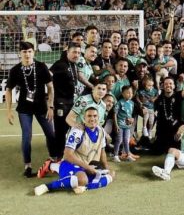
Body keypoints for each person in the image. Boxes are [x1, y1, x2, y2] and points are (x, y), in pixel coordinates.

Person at [34, 107, 114, 196]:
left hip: (87, 165)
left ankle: (85, 187)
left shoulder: (101, 131)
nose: (92, 118)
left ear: (98, 117)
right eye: (89, 116)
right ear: (84, 118)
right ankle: (47, 186)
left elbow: (102, 152)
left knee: (112, 173)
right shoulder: (77, 132)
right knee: (82, 179)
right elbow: (67, 155)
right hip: (71, 163)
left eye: (95, 116)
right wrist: (87, 167)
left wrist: (106, 167)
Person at [6, 41, 56, 177]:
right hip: (24, 108)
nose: (27, 54)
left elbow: (51, 87)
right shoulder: (15, 70)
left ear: (34, 52)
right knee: (26, 137)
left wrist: (50, 106)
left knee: (51, 134)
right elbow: (8, 90)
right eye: (24, 52)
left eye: (29, 51)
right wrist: (9, 111)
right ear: (19, 54)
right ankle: (27, 165)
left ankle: (53, 160)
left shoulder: (41, 67)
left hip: (42, 107)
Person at [50, 42, 82, 158]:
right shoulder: (60, 64)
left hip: (71, 102)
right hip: (60, 103)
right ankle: (58, 156)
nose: (76, 55)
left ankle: (67, 153)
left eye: (78, 53)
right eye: (74, 52)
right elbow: (48, 76)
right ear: (67, 52)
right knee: (60, 130)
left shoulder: (73, 64)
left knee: (70, 128)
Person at [113, 85, 136, 162]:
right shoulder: (119, 102)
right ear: (123, 94)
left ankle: (128, 155)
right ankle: (115, 155)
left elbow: (130, 115)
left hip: (127, 126)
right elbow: (115, 114)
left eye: (131, 93)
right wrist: (116, 125)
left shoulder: (132, 103)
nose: (130, 94)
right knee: (119, 140)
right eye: (128, 93)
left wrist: (132, 120)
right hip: (120, 125)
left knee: (126, 140)